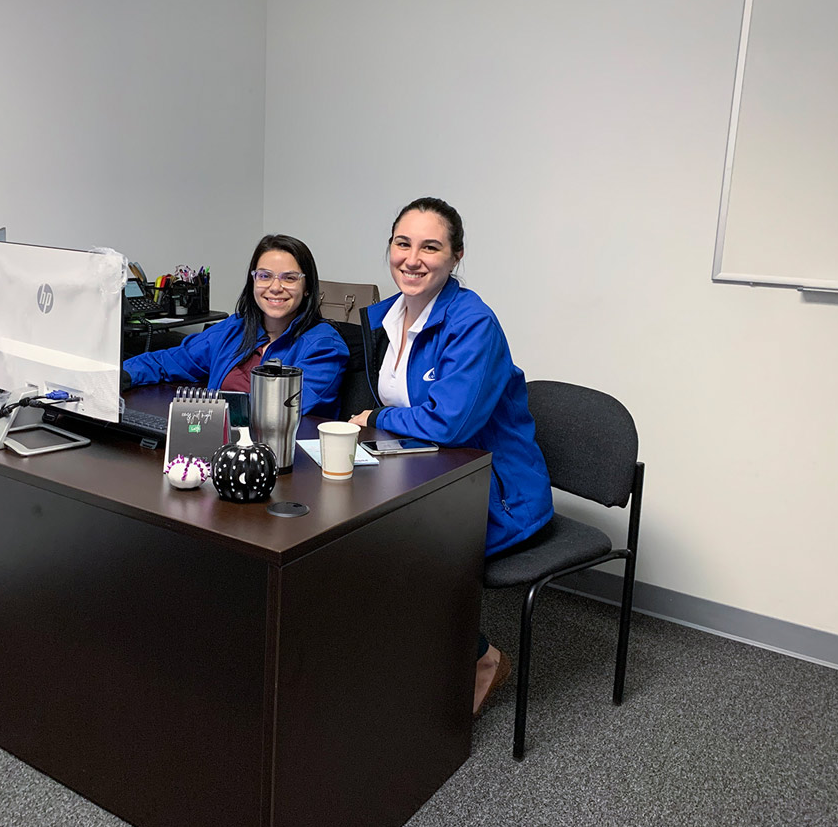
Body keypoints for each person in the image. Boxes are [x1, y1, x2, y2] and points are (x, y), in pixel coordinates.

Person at [348, 197, 553, 713]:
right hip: (419, 473)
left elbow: (450, 423)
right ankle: (387, 659)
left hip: (493, 490)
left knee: (393, 555)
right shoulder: (388, 317)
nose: (412, 259)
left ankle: (483, 657)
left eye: (430, 246)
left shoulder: (473, 322)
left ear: (456, 256)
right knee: (337, 538)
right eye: (402, 243)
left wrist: (375, 420)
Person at [122, 234, 348, 416]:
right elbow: (168, 361)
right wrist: (118, 376)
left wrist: (209, 409)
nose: (275, 287)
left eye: (289, 278)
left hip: (286, 457)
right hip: (217, 442)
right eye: (264, 276)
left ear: (307, 287)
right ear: (253, 281)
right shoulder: (235, 328)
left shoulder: (325, 346)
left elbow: (283, 410)